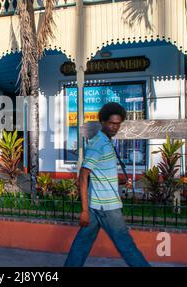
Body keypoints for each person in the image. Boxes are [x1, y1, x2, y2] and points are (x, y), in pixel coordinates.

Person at [64, 102, 150, 267]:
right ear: (102, 122)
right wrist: (83, 211)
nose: (114, 127)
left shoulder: (106, 142)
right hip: (107, 208)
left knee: (81, 245)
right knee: (127, 246)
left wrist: (122, 181)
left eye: (117, 124)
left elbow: (101, 173)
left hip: (97, 206)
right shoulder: (98, 144)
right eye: (111, 123)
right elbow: (83, 176)